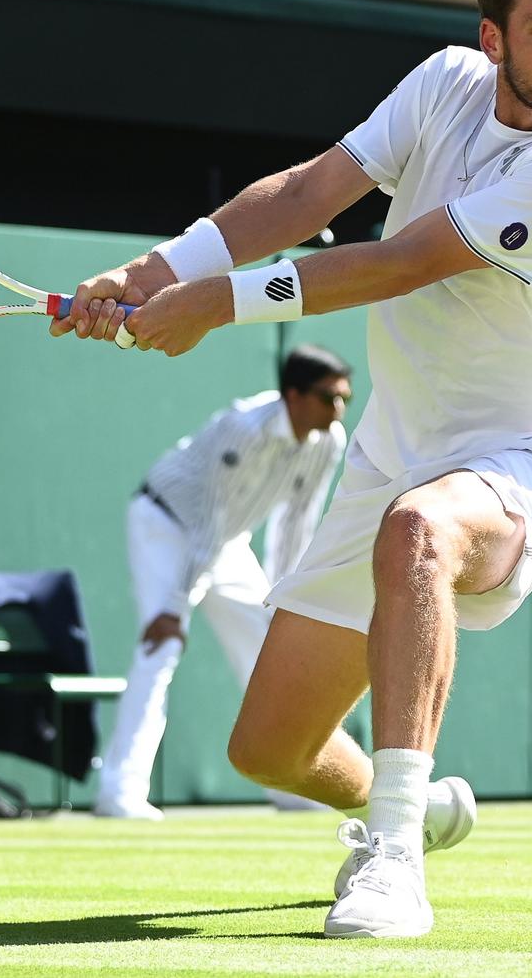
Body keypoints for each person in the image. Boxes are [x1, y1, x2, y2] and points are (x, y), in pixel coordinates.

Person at [53, 0, 532, 940]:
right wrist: (152, 275)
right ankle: (412, 805)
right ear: (492, 38)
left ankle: (395, 861)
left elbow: (398, 260)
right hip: (397, 442)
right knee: (270, 751)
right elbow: (311, 193)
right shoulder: (444, 82)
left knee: (419, 530)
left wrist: (215, 306)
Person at [96, 347, 358, 820]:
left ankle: (291, 781)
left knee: (270, 648)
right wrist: (175, 606)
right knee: (162, 646)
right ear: (293, 396)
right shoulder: (244, 429)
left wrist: (287, 595)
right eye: (328, 398)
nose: (337, 410)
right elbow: (208, 523)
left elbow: (297, 522)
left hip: (225, 540)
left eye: (345, 399)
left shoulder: (328, 440)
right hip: (167, 524)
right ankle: (120, 790)